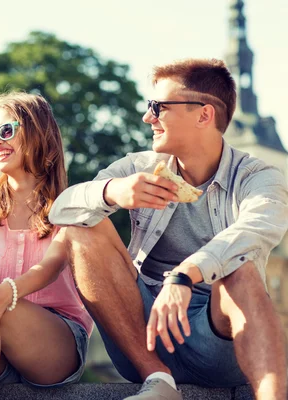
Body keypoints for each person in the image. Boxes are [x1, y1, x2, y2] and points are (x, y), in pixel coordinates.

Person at [49, 58, 288, 400]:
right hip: (144, 337)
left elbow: (254, 230)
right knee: (81, 227)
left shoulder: (258, 177)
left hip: (219, 342)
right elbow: (60, 211)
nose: (148, 117)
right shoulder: (138, 167)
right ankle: (159, 381)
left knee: (242, 270)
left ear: (204, 115)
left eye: (158, 107)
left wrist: (185, 275)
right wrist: (111, 191)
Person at [0, 92, 93, 400]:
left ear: (38, 133)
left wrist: (4, 293)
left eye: (6, 131)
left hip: (54, 344)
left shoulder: (70, 206)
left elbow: (50, 268)